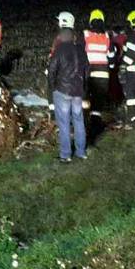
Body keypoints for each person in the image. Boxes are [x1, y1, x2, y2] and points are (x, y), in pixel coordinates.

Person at [48, 11, 89, 163]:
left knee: (64, 123)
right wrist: (83, 88)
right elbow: (86, 70)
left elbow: (52, 70)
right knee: (79, 121)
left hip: (62, 91)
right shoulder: (80, 48)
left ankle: (66, 155)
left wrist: (53, 88)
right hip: (78, 91)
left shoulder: (59, 48)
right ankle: (81, 152)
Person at [82, 9, 115, 122]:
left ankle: (83, 122)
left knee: (85, 97)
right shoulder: (107, 37)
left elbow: (79, 53)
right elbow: (112, 55)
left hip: (88, 71)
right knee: (98, 100)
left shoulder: (85, 35)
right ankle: (95, 123)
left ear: (91, 21)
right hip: (103, 73)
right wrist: (111, 67)